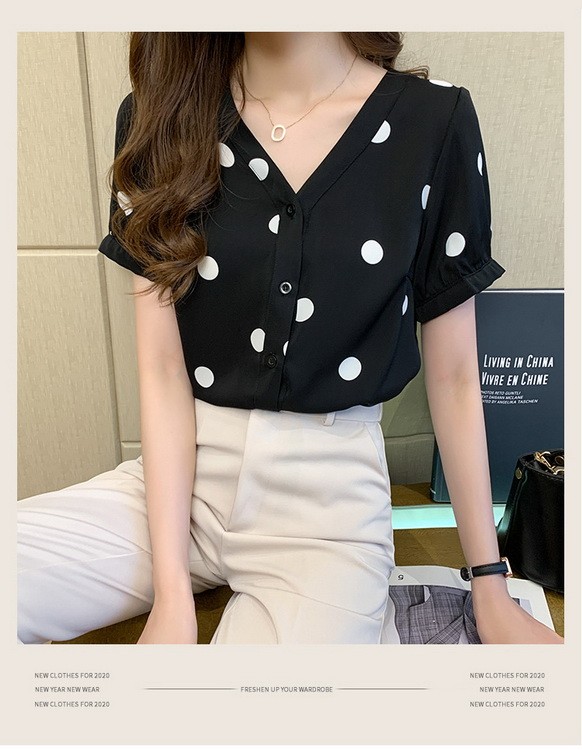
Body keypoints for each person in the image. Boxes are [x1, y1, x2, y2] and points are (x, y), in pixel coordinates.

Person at [17, 31, 563, 645]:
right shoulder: (160, 114)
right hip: (176, 484)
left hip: (327, 506)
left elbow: (456, 375)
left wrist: (489, 583)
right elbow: (163, 369)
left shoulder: (435, 122)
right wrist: (170, 595)